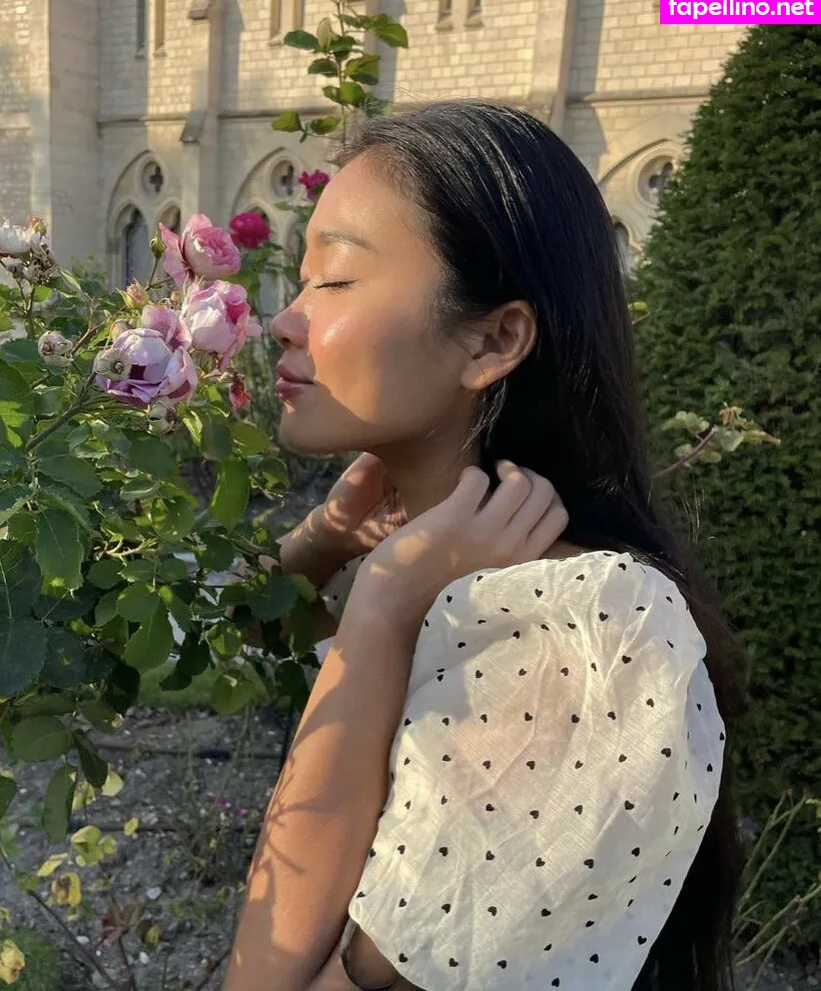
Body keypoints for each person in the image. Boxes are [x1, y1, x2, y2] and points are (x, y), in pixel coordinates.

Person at [223, 100, 746, 991]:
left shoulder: (586, 633)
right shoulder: (438, 564)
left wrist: (377, 612)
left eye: (335, 281)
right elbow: (219, 641)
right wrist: (325, 541)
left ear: (495, 339)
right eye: (300, 280)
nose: (285, 319)